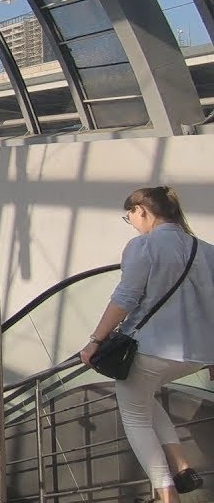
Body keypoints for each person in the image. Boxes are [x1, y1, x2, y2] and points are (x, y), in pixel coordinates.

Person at [79, 186, 214, 502]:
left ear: (142, 210)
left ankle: (167, 493)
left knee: (136, 417)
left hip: (151, 350)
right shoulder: (207, 250)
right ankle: (181, 466)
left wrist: (94, 341)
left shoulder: (143, 247)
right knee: (142, 396)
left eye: (131, 217)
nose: (133, 223)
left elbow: (125, 298)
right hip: (195, 354)